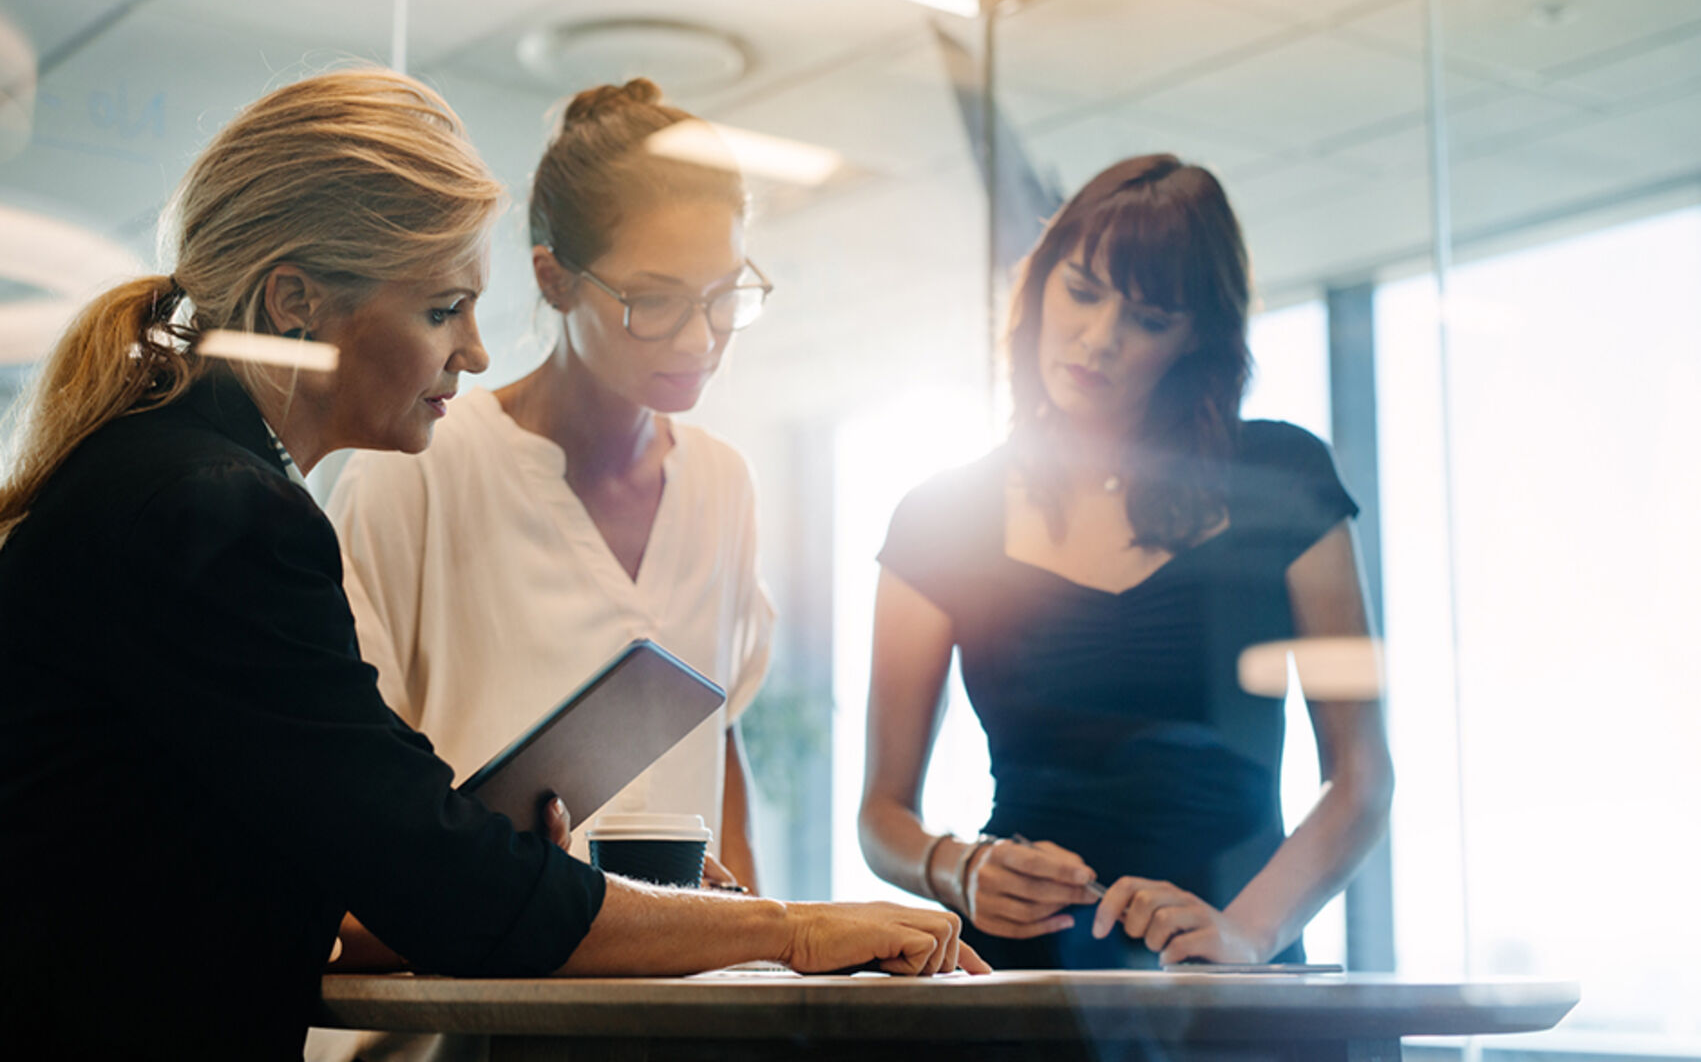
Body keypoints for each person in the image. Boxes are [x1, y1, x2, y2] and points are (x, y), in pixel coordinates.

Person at [0, 68, 981, 1062]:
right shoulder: (223, 511)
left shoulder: (171, 476)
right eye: (443, 309)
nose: (471, 351)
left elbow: (320, 865)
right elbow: (444, 880)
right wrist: (791, 931)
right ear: (294, 301)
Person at [858, 154, 1394, 971]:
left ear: (1194, 342)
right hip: (1019, 981)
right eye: (1081, 291)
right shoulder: (939, 517)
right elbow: (881, 814)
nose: (1098, 340)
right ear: (1038, 285)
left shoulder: (1286, 481)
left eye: (1147, 319)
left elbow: (1360, 778)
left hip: (1232, 974)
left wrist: (1245, 933)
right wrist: (955, 868)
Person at [325, 78, 769, 891]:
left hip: (676, 994)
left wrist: (761, 946)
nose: (701, 337)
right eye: (655, 300)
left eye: (724, 296)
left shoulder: (721, 485)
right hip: (466, 989)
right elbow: (352, 778)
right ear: (555, 279)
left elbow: (716, 744)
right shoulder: (418, 467)